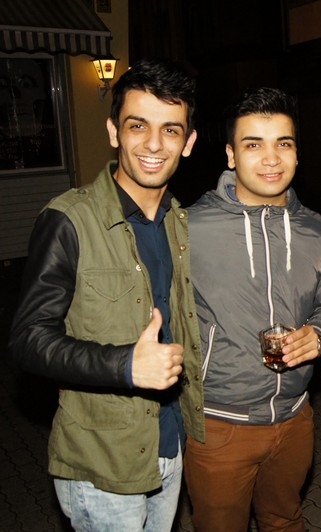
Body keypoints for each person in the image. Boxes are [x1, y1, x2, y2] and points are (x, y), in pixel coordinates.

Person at [8, 59, 202, 531]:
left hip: (170, 444)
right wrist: (124, 365)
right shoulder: (68, 220)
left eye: (170, 130)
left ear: (189, 142)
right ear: (114, 131)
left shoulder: (180, 222)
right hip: (103, 464)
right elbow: (28, 340)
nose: (154, 144)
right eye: (138, 126)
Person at [183, 87, 321, 532]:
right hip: (220, 424)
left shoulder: (319, 230)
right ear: (231, 155)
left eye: (283, 143)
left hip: (295, 418)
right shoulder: (189, 227)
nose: (271, 158)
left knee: (285, 521)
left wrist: (320, 333)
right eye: (253, 144)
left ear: (297, 153)